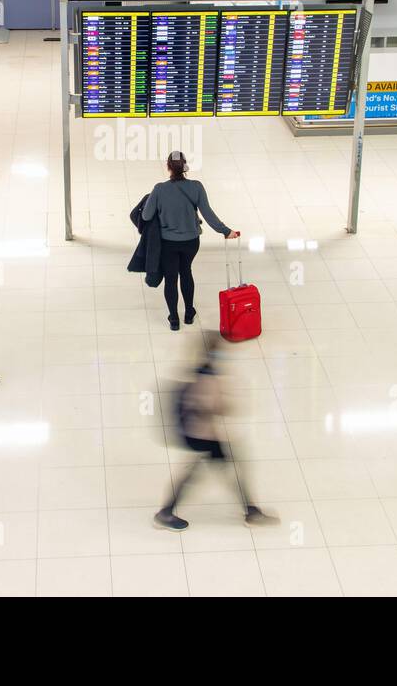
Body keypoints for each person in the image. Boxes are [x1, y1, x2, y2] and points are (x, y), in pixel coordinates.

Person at [154, 340, 277, 531]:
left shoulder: (199, 372)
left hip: (199, 434)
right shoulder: (208, 379)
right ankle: (251, 512)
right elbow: (212, 407)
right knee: (227, 470)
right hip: (202, 436)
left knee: (208, 471)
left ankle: (251, 511)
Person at [141, 152, 239, 331]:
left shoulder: (159, 189)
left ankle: (174, 319)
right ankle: (188, 313)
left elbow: (146, 216)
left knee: (171, 278)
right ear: (185, 166)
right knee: (186, 272)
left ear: (168, 167)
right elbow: (208, 215)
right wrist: (226, 231)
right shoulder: (196, 187)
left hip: (168, 243)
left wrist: (153, 201)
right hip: (190, 242)